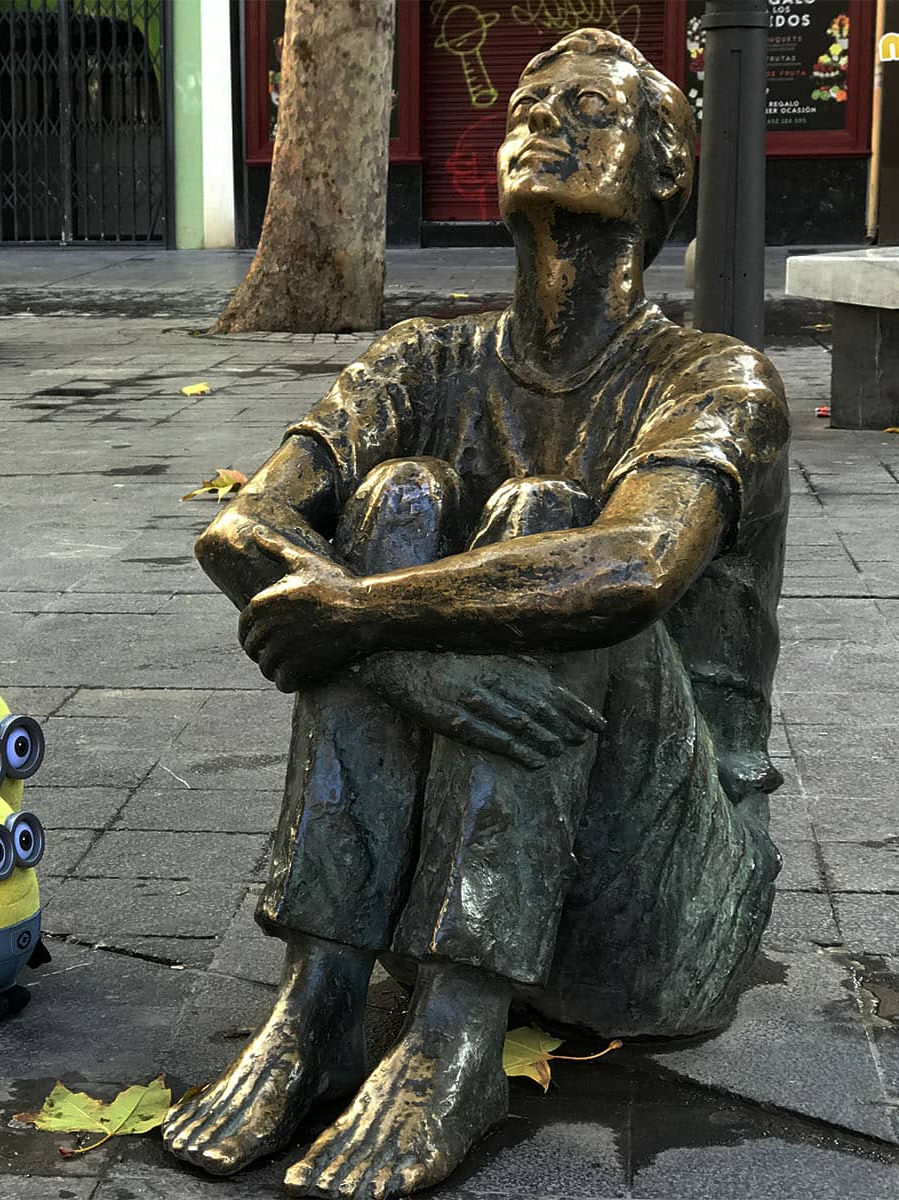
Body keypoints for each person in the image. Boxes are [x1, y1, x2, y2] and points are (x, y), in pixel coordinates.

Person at [163, 27, 790, 1200]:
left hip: (659, 898)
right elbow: (243, 528)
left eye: (584, 109)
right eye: (524, 102)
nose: (536, 120)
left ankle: (455, 1037)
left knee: (549, 517)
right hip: (450, 865)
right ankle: (323, 999)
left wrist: (359, 619)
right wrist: (406, 657)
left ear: (666, 170)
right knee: (399, 493)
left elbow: (635, 566)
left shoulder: (716, 378)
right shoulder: (420, 358)